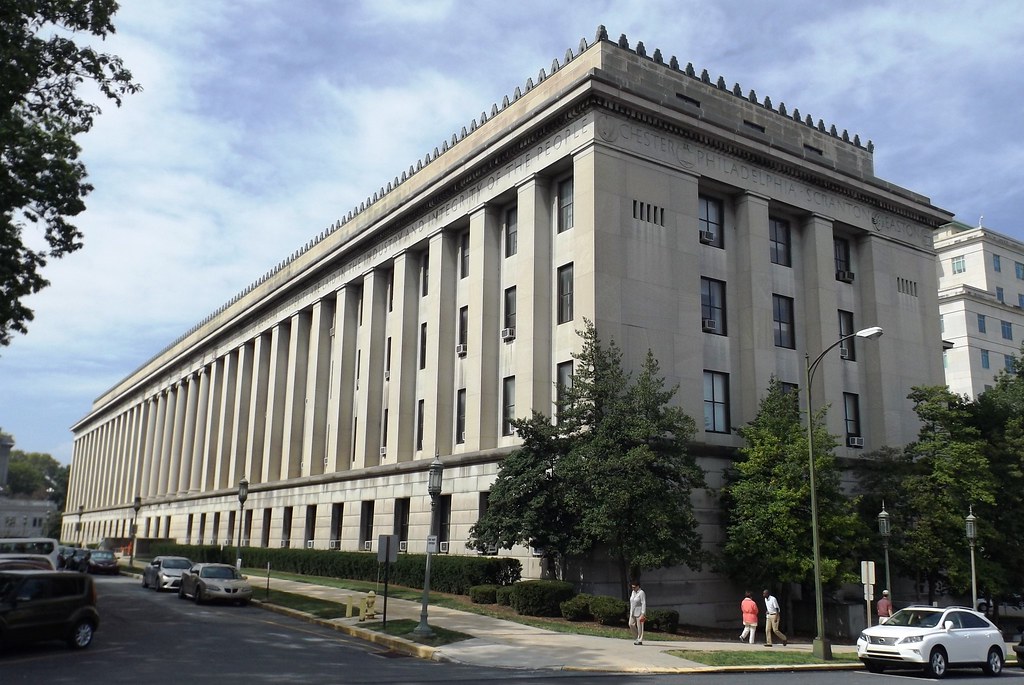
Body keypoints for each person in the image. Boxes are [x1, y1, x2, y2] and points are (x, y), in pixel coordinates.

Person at [629, 580, 647, 646]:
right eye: (632, 587)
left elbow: (643, 603)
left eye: (634, 587)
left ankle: (640, 640)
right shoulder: (633, 592)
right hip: (632, 612)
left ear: (638, 586)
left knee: (640, 627)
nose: (633, 588)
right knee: (631, 624)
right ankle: (637, 637)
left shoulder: (641, 593)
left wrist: (643, 613)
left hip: (639, 612)